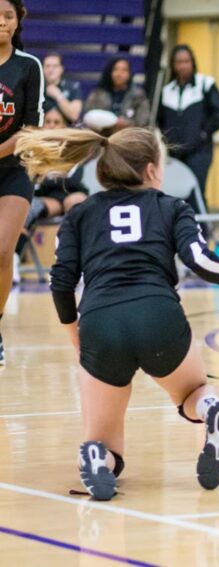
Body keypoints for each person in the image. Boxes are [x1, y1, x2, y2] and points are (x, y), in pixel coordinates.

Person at [15, 126, 219, 501]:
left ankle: (99, 459)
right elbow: (198, 260)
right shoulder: (172, 206)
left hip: (101, 320)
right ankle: (210, 410)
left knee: (105, 440)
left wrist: (74, 332)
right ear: (151, 170)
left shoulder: (80, 214)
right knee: (192, 390)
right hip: (158, 315)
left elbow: (61, 282)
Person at [0, 0, 43, 364]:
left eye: (8, 15)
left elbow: (32, 128)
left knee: (1, 251)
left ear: (18, 21)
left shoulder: (29, 67)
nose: (1, 22)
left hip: (14, 170)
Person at [13, 106, 88, 281]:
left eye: (56, 122)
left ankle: (83, 263)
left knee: (79, 203)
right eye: (48, 122)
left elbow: (74, 180)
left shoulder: (72, 148)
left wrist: (46, 178)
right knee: (24, 209)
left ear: (64, 126)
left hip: (70, 194)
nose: (52, 126)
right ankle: (14, 260)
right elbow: (31, 181)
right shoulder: (33, 150)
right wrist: (54, 177)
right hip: (46, 198)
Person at [157, 44, 219, 218]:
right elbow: (160, 119)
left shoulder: (205, 84)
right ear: (173, 65)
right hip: (175, 152)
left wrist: (203, 133)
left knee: (196, 192)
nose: (183, 65)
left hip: (199, 152)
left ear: (193, 62)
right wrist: (167, 139)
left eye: (186, 61)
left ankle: (201, 234)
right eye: (179, 62)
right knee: (174, 193)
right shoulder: (166, 90)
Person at [84, 56, 150, 131]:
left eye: (124, 70)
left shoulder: (138, 95)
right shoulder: (98, 93)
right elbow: (89, 116)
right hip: (102, 135)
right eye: (115, 70)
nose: (119, 74)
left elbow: (143, 121)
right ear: (109, 72)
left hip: (128, 135)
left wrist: (128, 123)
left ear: (129, 74)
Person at [41, 52, 82, 124]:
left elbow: (74, 116)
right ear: (42, 68)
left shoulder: (73, 87)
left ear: (61, 69)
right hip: (41, 131)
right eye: (47, 66)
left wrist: (58, 95)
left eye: (55, 66)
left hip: (67, 132)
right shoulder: (35, 87)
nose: (51, 70)